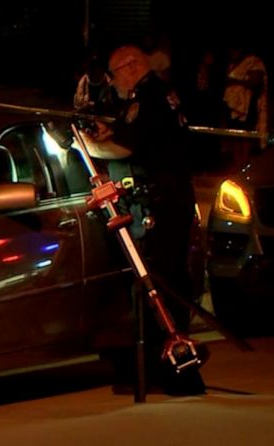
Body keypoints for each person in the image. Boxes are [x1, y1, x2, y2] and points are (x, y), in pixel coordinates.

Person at [79, 44, 206, 396]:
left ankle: (173, 367)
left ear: (131, 67)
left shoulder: (148, 98)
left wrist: (82, 147)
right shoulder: (158, 95)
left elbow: (128, 149)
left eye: (114, 72)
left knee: (159, 284)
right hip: (171, 198)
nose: (112, 80)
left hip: (162, 203)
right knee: (167, 281)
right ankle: (164, 366)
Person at [222, 44, 268, 170]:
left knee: (245, 139)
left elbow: (255, 82)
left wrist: (235, 82)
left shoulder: (253, 62)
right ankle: (238, 167)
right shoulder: (232, 64)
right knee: (235, 139)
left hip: (247, 108)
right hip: (233, 109)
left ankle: (245, 166)